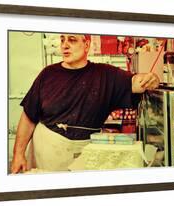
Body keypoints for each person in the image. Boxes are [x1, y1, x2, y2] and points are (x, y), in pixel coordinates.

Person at [11, 34, 160, 173]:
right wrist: (18, 154)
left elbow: (134, 82)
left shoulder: (106, 74)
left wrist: (150, 78)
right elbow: (28, 117)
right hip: (46, 151)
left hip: (86, 152)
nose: (65, 45)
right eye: (62, 40)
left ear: (87, 45)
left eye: (72, 40)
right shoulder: (47, 74)